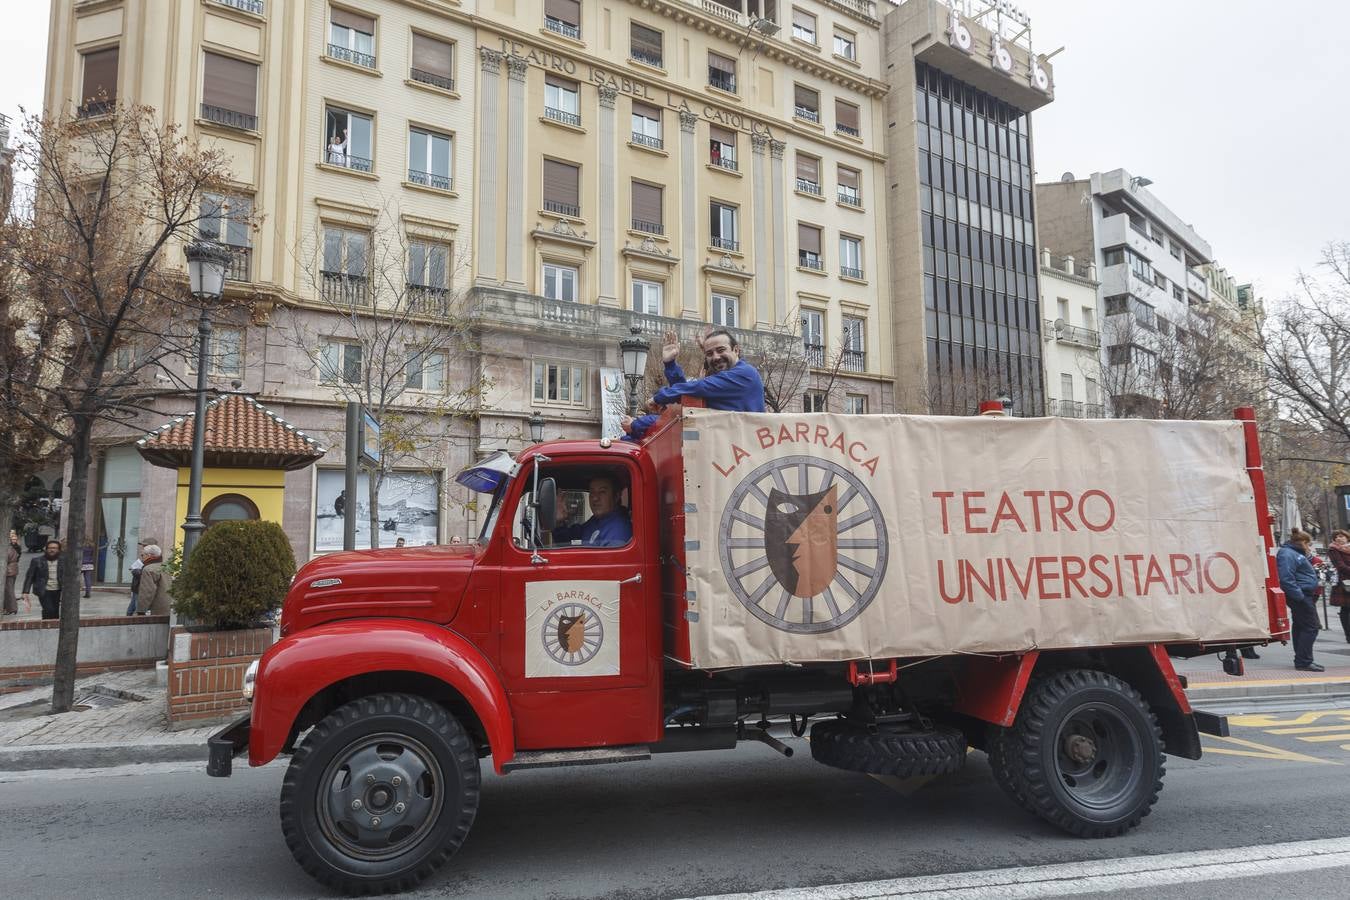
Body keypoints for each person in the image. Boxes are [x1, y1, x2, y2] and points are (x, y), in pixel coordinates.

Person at [623, 329, 765, 441]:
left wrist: (658, 398)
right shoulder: (728, 377)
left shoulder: (745, 373)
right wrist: (670, 363)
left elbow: (699, 387)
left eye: (721, 350)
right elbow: (690, 397)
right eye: (709, 353)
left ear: (736, 350)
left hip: (742, 453)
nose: (715, 357)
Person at [1277, 528, 1324, 672]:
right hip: (1300, 595)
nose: (1309, 547)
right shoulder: (1288, 554)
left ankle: (1302, 659)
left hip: (1301, 593)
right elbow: (1286, 577)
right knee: (1311, 627)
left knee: (1301, 625)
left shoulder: (1293, 553)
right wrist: (1299, 595)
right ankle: (1304, 661)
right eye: (1308, 544)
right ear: (1302, 542)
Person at [548, 476, 632, 547]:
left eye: (602, 492)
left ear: (616, 496)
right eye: (592, 492)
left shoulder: (618, 530)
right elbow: (566, 541)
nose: (595, 498)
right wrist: (559, 522)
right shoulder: (595, 521)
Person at [22, 539, 64, 620]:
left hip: (58, 589)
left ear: (59, 550)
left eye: (55, 548)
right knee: (49, 609)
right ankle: (47, 623)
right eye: (50, 548)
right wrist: (25, 591)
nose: (52, 550)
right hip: (43, 590)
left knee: (55, 611)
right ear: (46, 549)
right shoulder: (37, 561)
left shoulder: (64, 560)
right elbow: (30, 576)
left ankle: (52, 626)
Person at [136, 544, 172, 616]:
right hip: (168, 606)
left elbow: (147, 591)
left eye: (142, 555)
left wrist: (141, 610)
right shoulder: (165, 566)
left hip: (156, 608)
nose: (141, 558)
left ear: (149, 555)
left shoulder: (148, 569)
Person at [1328, 529, 1350, 643]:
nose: (1338, 538)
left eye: (1341, 536)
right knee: (1346, 608)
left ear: (1347, 537)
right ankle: (1348, 635)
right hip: (1344, 582)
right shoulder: (1333, 549)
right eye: (1336, 536)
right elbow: (1340, 565)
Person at [126, 538, 153, 616]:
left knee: (138, 608)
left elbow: (143, 573)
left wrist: (134, 571)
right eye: (142, 546)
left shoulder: (151, 558)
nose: (142, 547)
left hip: (140, 587)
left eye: (144, 546)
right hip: (136, 586)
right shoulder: (145, 556)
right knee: (132, 606)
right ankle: (128, 618)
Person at [4, 529, 19, 616]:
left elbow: (8, 558)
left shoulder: (8, 548)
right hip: (12, 570)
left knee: (8, 590)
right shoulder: (11, 547)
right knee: (9, 590)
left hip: (9, 571)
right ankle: (9, 608)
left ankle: (11, 608)